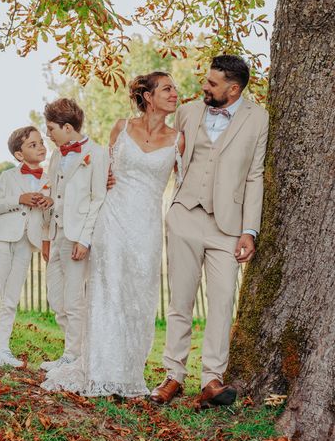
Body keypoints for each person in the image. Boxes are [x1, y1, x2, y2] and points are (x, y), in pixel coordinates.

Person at [41, 72, 185, 397]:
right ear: (148, 97)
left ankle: (128, 373)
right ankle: (99, 370)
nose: (175, 93)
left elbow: (184, 188)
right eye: (167, 88)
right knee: (106, 294)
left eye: (174, 89)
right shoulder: (121, 127)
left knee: (137, 298)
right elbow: (102, 174)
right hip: (112, 219)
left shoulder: (179, 139)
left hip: (147, 226)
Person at [150, 55, 269, 409]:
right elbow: (162, 146)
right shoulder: (187, 112)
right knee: (180, 302)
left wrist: (249, 231)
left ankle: (211, 379)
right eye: (206, 80)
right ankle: (173, 375)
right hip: (185, 215)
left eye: (212, 84)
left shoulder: (258, 118)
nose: (204, 87)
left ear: (233, 89)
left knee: (221, 303)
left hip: (228, 226)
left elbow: (255, 175)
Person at [40, 98, 110, 372]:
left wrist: (85, 239)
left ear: (67, 128)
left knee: (73, 299)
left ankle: (74, 355)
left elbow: (97, 199)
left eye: (51, 129)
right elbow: (53, 193)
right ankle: (75, 351)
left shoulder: (97, 154)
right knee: (56, 297)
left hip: (77, 236)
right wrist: (46, 236)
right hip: (57, 232)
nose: (48, 135)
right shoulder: (57, 155)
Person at [0, 126, 52, 367]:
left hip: (27, 242)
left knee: (11, 296)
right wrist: (19, 199)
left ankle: (2, 345)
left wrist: (48, 202)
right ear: (19, 155)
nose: (40, 147)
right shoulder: (8, 177)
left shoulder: (50, 179)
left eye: (41, 143)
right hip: (2, 239)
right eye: (33, 145)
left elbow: (50, 219)